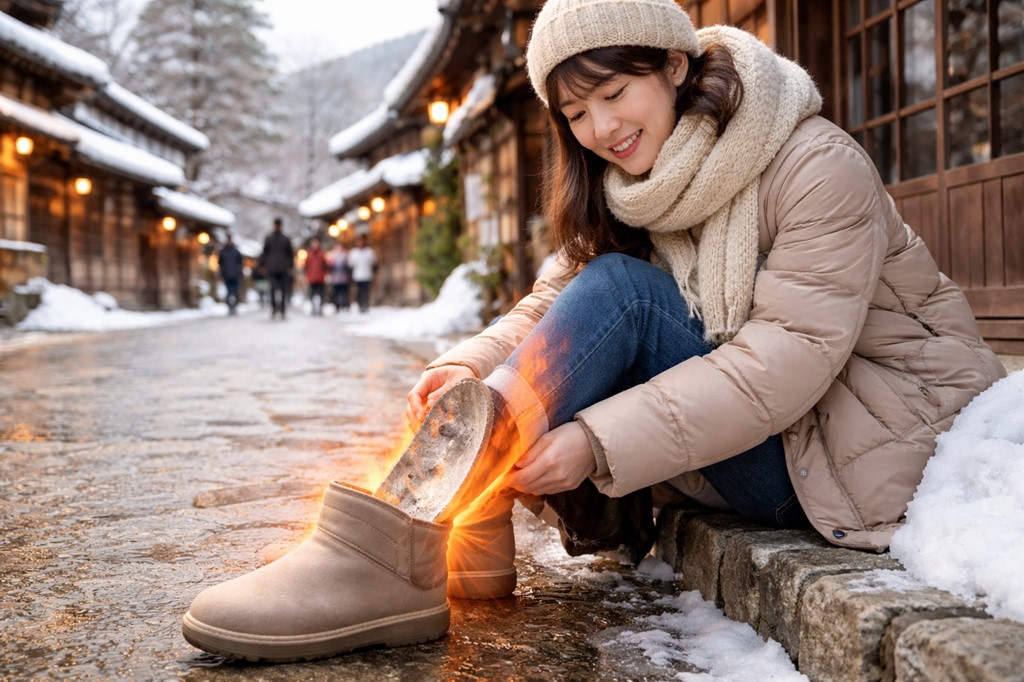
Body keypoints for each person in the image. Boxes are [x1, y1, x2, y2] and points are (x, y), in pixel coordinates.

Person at [181, 0, 1006, 662]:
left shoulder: (813, 164)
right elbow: (552, 307)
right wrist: (466, 370)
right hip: (770, 430)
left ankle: (394, 553)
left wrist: (596, 442)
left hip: (855, 446)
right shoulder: (630, 186)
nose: (601, 128)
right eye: (576, 112)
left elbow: (783, 365)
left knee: (626, 293)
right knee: (570, 321)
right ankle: (434, 529)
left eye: (615, 94)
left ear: (675, 67)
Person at [259, 217, 293, 320]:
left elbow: (290, 254)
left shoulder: (285, 239)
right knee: (274, 290)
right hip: (273, 268)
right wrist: (263, 265)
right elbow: (264, 253)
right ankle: (275, 309)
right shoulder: (270, 238)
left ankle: (281, 310)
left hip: (281, 268)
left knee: (282, 290)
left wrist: (290, 266)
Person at [347, 234, 376, 313]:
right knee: (359, 292)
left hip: (367, 275)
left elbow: (373, 262)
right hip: (357, 275)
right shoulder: (353, 252)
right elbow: (350, 264)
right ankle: (360, 305)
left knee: (366, 291)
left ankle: (366, 305)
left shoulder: (369, 252)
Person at [216, 234, 243, 315]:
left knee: (235, 292)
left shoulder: (236, 251)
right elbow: (220, 263)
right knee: (228, 292)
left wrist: (240, 273)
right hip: (226, 275)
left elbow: (240, 263)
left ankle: (235, 307)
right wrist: (221, 272)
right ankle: (230, 308)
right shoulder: (223, 252)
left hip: (236, 275)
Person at [303, 238, 328, 316]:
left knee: (321, 294)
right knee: (312, 294)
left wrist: (325, 274)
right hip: (312, 278)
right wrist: (307, 275)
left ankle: (320, 308)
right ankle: (313, 308)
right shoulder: (309, 254)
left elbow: (325, 265)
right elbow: (305, 266)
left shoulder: (322, 254)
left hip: (320, 278)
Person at [327, 240, 350, 313]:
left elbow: (348, 265)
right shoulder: (332, 255)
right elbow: (329, 266)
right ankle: (337, 306)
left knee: (344, 293)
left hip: (343, 278)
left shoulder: (345, 255)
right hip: (336, 279)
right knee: (336, 293)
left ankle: (344, 305)